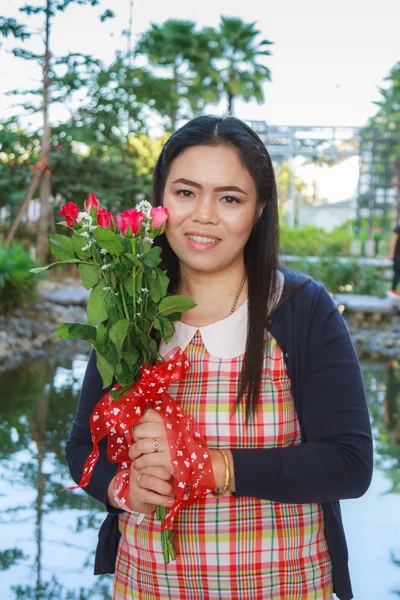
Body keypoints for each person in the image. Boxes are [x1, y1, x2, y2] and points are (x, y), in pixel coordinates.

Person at [66, 115, 373, 600]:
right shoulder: (130, 308)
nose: (203, 215)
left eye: (230, 198)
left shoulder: (299, 308)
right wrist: (122, 488)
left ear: (260, 209)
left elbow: (349, 464)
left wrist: (209, 467)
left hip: (285, 587)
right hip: (148, 586)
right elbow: (84, 447)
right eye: (185, 192)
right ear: (160, 201)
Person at [388, 223, 400, 298]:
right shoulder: (398, 227)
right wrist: (391, 252)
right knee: (397, 273)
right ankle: (392, 290)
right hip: (398, 255)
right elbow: (393, 240)